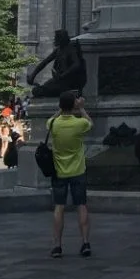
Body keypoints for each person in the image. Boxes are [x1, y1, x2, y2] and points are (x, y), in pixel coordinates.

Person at [47, 93, 93, 259]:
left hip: (59, 171)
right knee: (81, 205)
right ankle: (85, 242)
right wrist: (81, 108)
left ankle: (57, 245)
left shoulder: (53, 123)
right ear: (73, 105)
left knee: (59, 206)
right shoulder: (79, 123)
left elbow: (51, 119)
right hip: (78, 170)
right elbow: (90, 122)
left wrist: (61, 109)